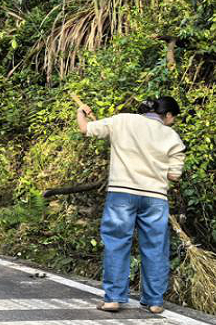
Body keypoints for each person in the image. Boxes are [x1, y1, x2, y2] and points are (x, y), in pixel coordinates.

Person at [77, 96, 186, 314]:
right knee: (155, 247)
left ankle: (114, 299)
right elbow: (174, 175)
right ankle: (154, 301)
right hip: (155, 197)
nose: (172, 122)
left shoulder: (123, 120)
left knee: (117, 243)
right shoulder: (172, 136)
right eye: (173, 118)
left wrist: (81, 112)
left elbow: (85, 129)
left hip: (122, 193)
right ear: (167, 115)